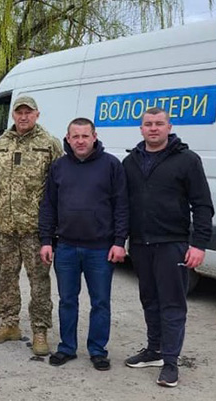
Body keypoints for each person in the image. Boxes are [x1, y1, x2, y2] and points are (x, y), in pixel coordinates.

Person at [122, 107, 213, 387]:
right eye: (148, 124)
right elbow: (122, 205)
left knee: (172, 304)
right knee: (149, 300)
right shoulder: (130, 162)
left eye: (159, 124)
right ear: (141, 129)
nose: (153, 128)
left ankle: (171, 362)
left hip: (172, 244)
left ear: (169, 127)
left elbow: (202, 205)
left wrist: (198, 244)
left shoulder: (187, 160)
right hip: (140, 244)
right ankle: (154, 350)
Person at [39, 118, 129, 370]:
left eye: (84, 136)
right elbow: (48, 206)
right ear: (67, 138)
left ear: (94, 136)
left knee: (100, 302)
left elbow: (122, 206)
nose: (80, 141)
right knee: (67, 300)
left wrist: (120, 242)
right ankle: (67, 347)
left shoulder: (111, 165)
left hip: (100, 249)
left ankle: (98, 350)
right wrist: (46, 241)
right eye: (75, 136)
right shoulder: (58, 167)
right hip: (66, 247)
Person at [0, 95, 62, 356]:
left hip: (35, 230)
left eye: (28, 112)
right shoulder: (1, 143)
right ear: (13, 115)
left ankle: (40, 331)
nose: (23, 117)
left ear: (37, 114)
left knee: (39, 282)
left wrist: (53, 225)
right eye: (19, 112)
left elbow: (60, 185)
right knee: (6, 280)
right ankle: (9, 324)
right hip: (5, 229)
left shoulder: (49, 144)